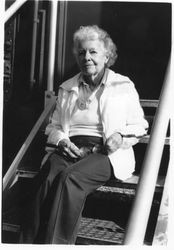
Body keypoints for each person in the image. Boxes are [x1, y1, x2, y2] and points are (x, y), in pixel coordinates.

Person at [19, 25, 148, 244]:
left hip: (105, 152)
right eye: (81, 53)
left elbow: (140, 125)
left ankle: (56, 245)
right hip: (71, 147)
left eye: (93, 51)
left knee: (71, 179)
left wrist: (120, 136)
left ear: (107, 56)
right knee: (47, 178)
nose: (86, 57)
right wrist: (61, 141)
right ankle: (26, 245)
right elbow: (54, 126)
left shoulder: (122, 85)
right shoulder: (67, 87)